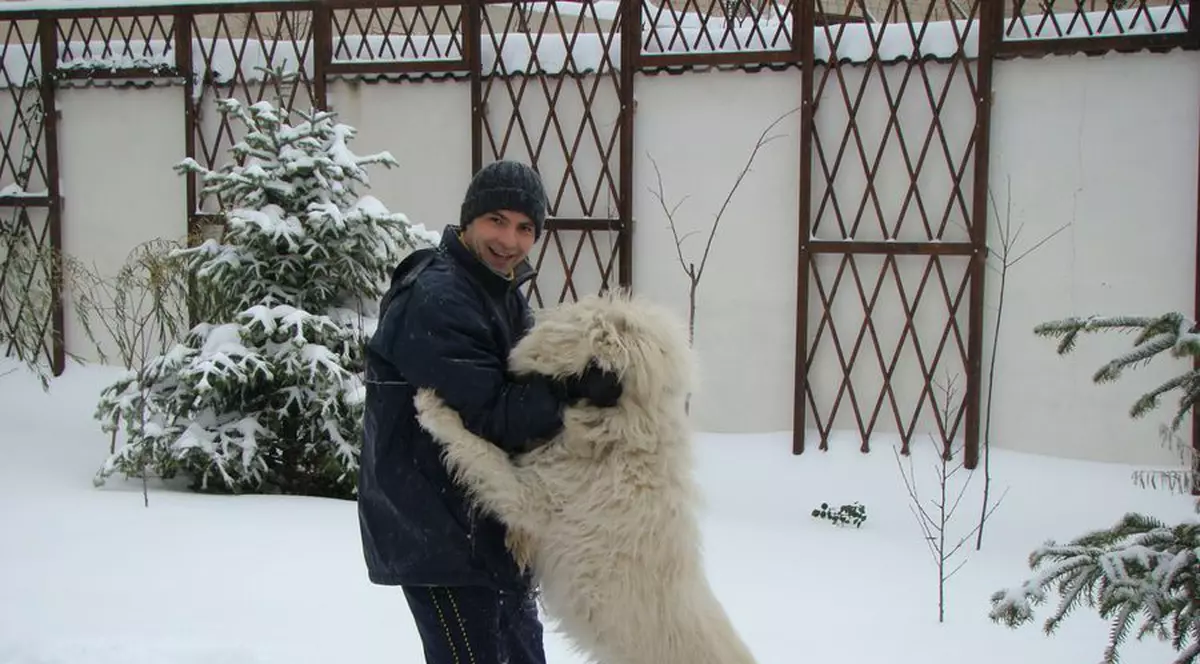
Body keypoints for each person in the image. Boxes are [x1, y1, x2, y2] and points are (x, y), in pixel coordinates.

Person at [358, 160, 623, 664]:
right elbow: (494, 414)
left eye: (525, 228)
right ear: (469, 220)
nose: (510, 240)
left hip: (488, 532)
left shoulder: (494, 291)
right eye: (496, 220)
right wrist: (576, 387)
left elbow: (522, 384)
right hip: (441, 536)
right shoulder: (437, 297)